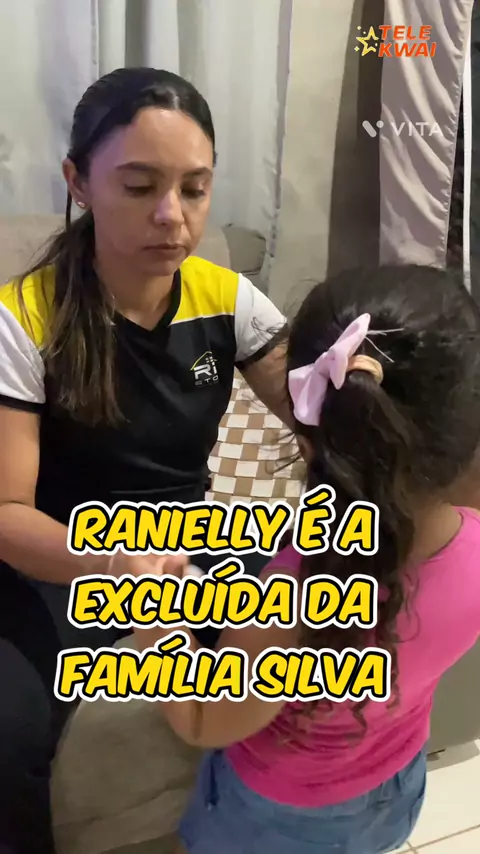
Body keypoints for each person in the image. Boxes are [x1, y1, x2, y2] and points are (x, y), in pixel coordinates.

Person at [0, 67, 289, 853]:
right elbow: (9, 515)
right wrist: (111, 564)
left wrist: (355, 384)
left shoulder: (227, 298)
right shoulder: (25, 318)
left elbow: (316, 413)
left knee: (325, 627)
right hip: (58, 557)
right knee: (9, 730)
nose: (173, 216)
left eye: (195, 189)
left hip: (189, 539)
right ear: (79, 182)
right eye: (139, 186)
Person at [128, 265, 480, 854]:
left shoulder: (294, 591)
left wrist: (153, 615)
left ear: (307, 431)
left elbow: (201, 720)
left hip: (278, 819)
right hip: (397, 779)